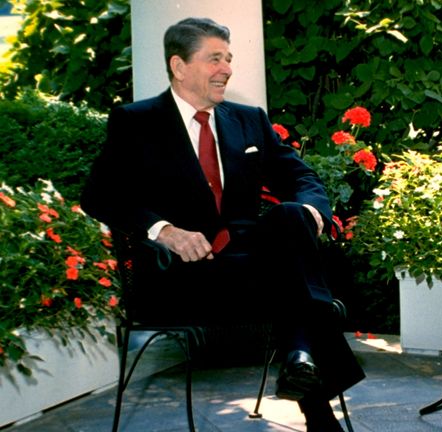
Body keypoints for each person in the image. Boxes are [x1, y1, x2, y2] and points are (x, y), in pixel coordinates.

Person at [81, 17, 364, 431]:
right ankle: (308, 379)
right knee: (299, 289)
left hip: (253, 271)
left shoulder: (248, 120)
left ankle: (301, 359)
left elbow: (301, 177)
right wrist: (166, 231)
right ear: (179, 66)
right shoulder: (136, 122)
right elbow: (99, 195)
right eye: (215, 58)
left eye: (228, 59)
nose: (227, 69)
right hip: (183, 278)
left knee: (290, 216)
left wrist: (311, 212)